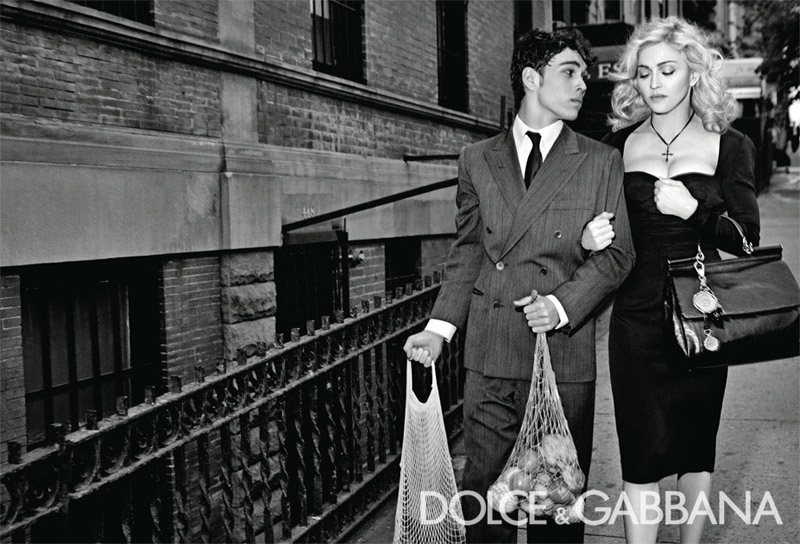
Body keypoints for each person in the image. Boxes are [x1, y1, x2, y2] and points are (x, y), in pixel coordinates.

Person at [403, 28, 635, 544]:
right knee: (486, 504)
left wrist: (560, 305)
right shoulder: (476, 158)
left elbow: (619, 256)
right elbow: (468, 251)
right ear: (532, 78)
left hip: (561, 356)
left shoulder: (600, 160)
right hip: (491, 352)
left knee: (557, 506)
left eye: (584, 74)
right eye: (569, 72)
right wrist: (438, 330)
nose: (582, 85)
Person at [582, 16, 760, 544]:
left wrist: (694, 211)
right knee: (639, 452)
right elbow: (596, 228)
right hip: (634, 321)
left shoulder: (729, 145)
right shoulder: (616, 146)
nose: (654, 83)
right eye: (644, 73)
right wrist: (590, 238)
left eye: (667, 70)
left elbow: (746, 241)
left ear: (693, 73)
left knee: (694, 447)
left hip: (701, 316)